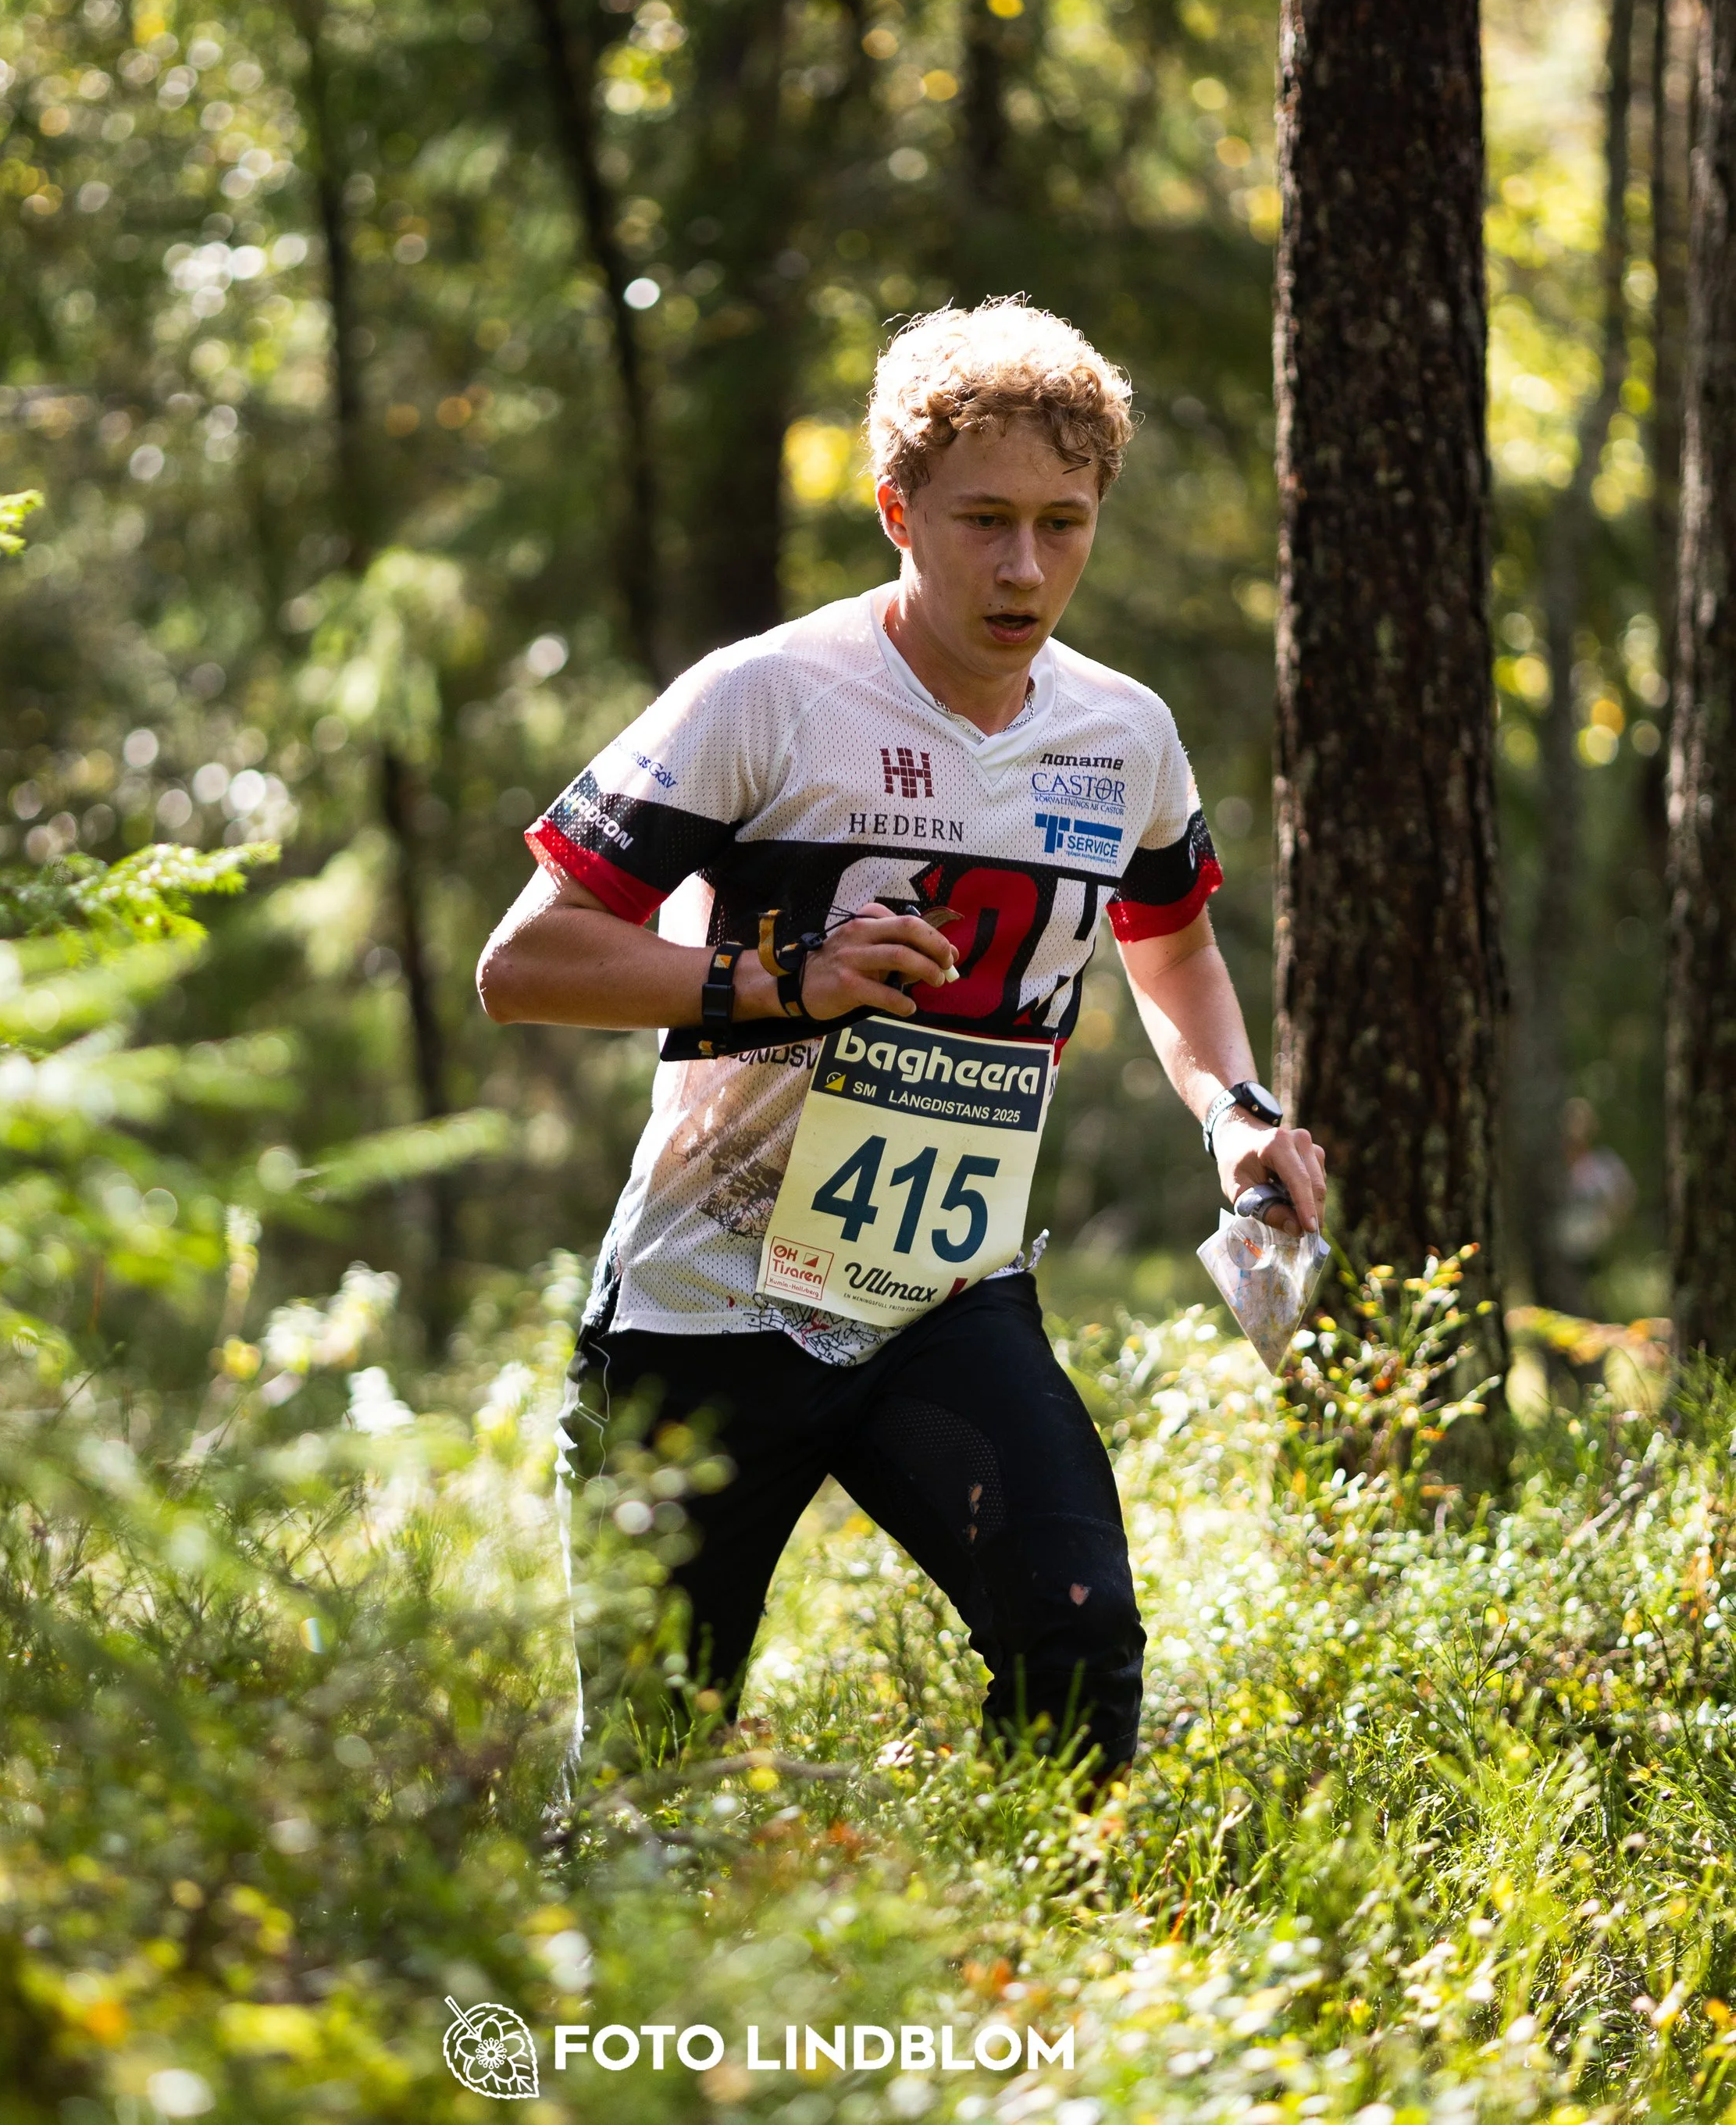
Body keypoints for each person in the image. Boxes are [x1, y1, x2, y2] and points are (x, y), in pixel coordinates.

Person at [477, 298, 1325, 1782]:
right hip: (705, 1302)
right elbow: (523, 963)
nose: (1024, 568)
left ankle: (1038, 1929)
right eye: (984, 521)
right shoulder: (766, 697)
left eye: (1063, 524)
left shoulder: (1122, 735)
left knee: (1078, 1642)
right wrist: (784, 980)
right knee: (647, 1767)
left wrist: (1236, 1113)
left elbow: (1173, 945)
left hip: (943, 1292)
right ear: (896, 513)